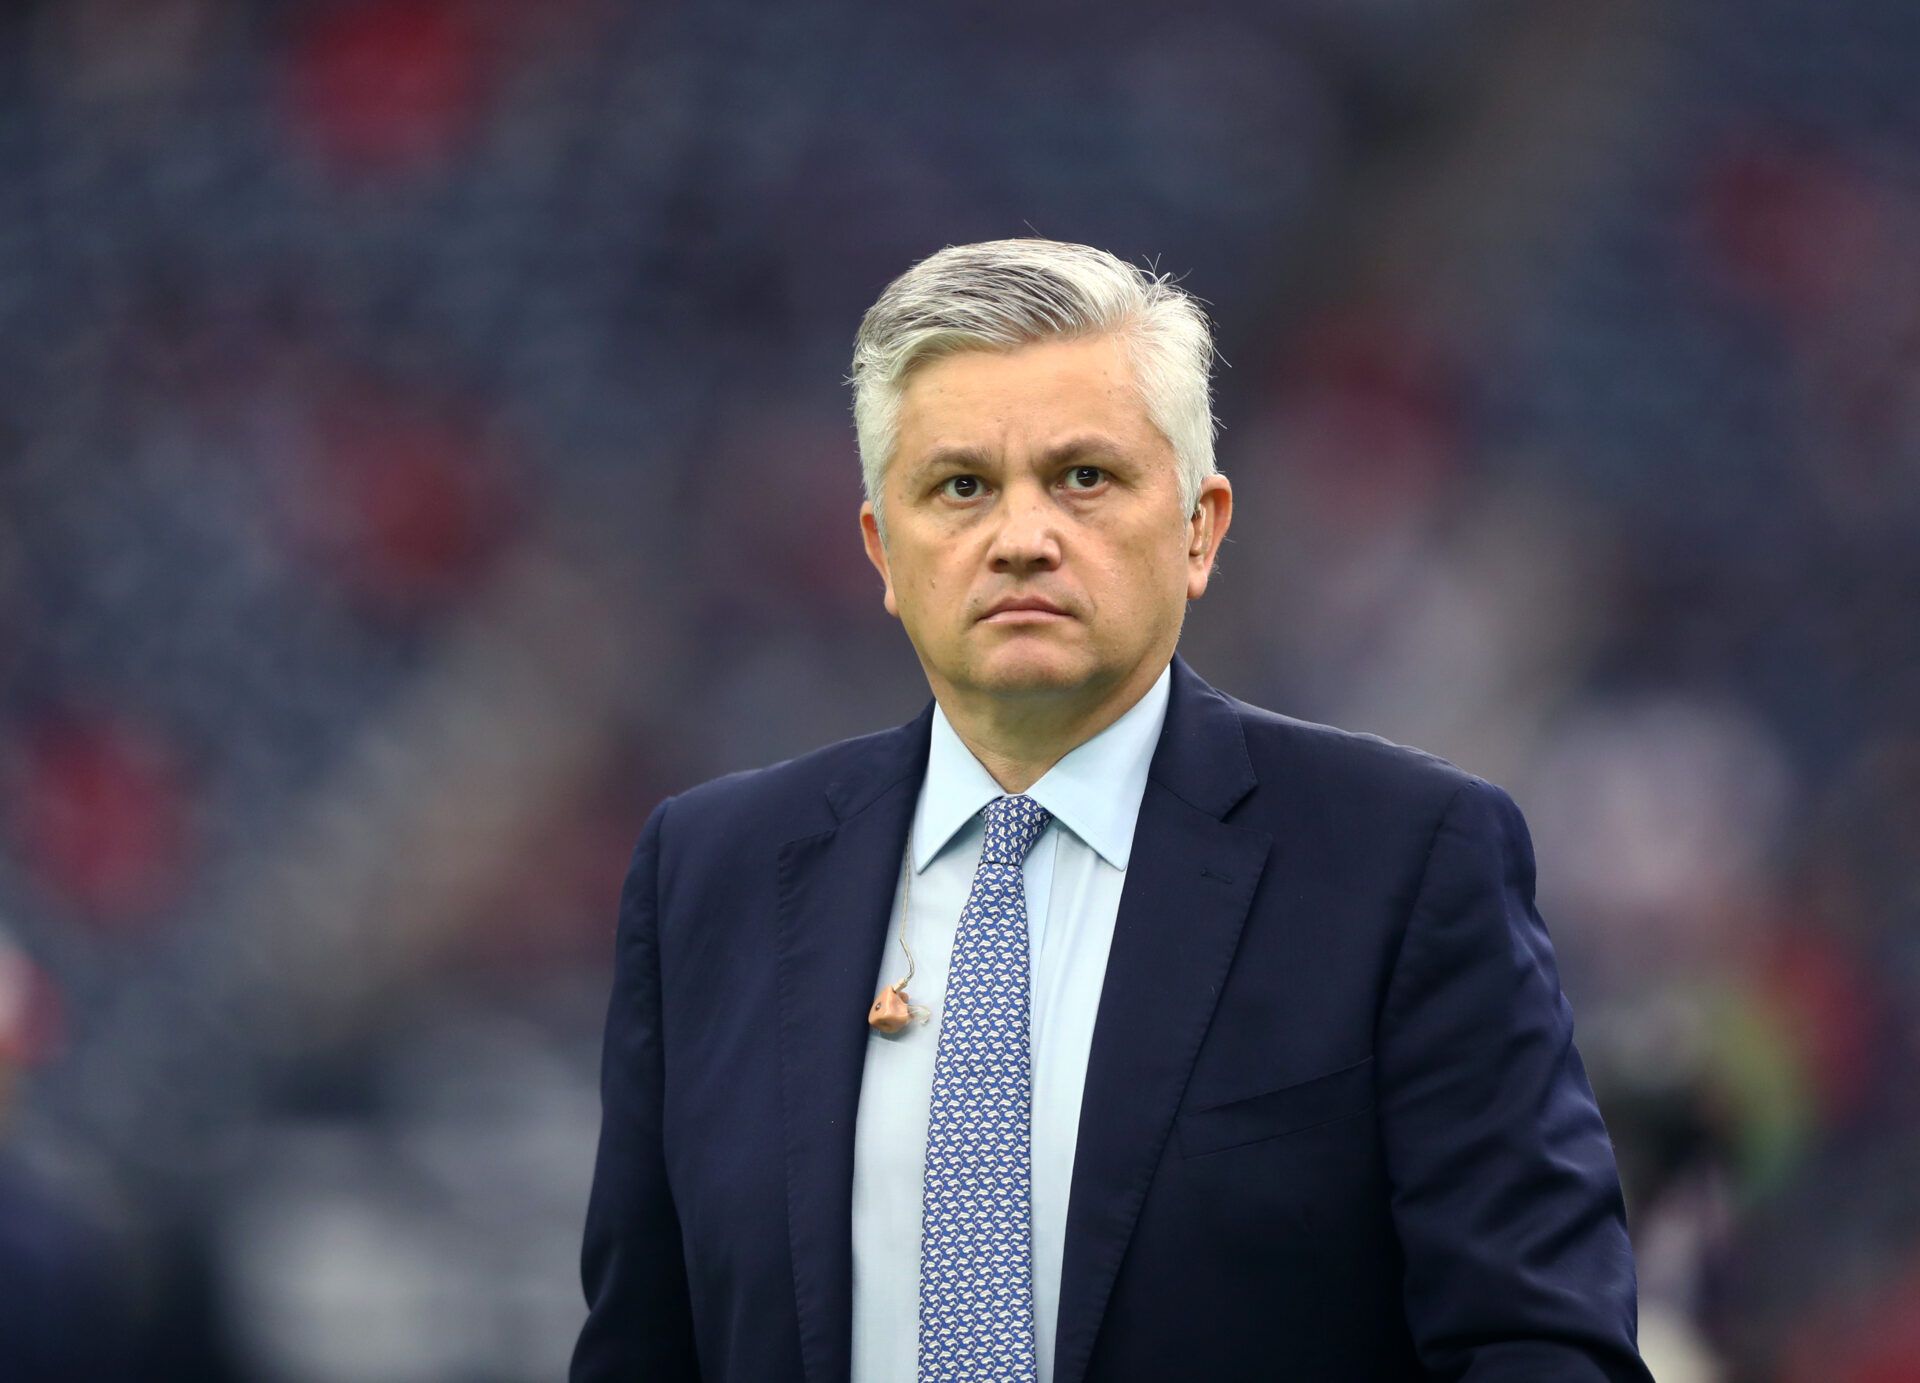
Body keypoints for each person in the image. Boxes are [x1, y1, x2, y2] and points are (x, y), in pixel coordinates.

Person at [572, 239, 1650, 1382]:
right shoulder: (712, 876)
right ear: (883, 551)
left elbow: (1540, 1347)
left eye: (1085, 477)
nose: (1023, 537)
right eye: (961, 487)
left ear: (1201, 528)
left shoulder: (1403, 863)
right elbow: (644, 1344)